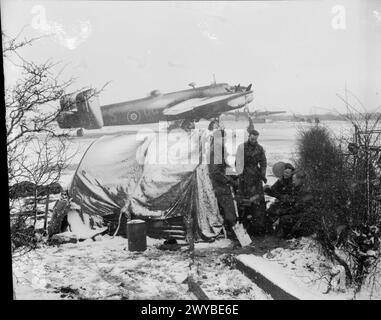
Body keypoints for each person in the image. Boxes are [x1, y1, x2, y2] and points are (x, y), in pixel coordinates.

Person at [235, 128, 267, 235]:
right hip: (244, 177)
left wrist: (262, 174)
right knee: (245, 202)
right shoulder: (242, 147)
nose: (253, 140)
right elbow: (238, 162)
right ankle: (245, 225)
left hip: (256, 178)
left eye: (255, 139)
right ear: (249, 136)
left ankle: (257, 226)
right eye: (252, 138)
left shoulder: (260, 148)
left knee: (257, 201)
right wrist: (240, 175)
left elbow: (263, 162)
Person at [207, 119, 237, 229]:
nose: (225, 140)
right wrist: (229, 180)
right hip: (218, 184)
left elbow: (223, 166)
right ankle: (232, 227)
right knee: (228, 206)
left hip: (220, 181)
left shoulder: (218, 148)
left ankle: (230, 225)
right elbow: (215, 172)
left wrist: (233, 174)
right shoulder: (216, 150)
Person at [266, 171, 313, 238]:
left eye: (294, 180)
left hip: (304, 214)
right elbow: (283, 193)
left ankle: (282, 237)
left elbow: (295, 204)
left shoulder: (305, 190)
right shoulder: (296, 186)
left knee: (284, 219)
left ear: (300, 179)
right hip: (296, 210)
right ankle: (274, 234)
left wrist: (283, 211)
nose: (293, 182)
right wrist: (281, 180)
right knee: (272, 210)